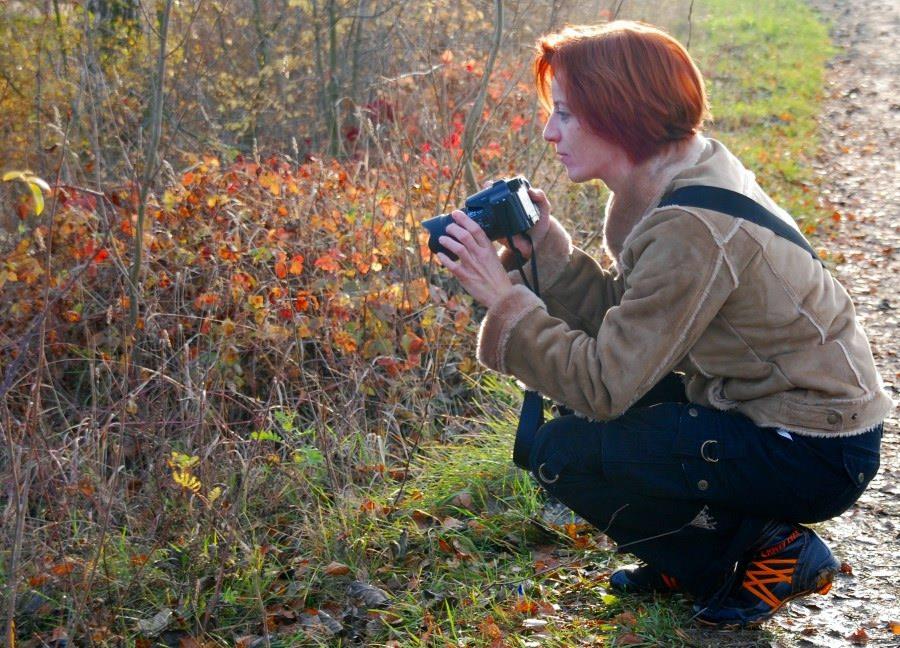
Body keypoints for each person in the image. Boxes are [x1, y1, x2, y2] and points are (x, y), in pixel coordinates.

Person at [434, 20, 890, 627]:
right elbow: (632, 329)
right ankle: (689, 553)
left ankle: (770, 549)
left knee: (563, 449)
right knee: (587, 424)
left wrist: (506, 301)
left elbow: (603, 383)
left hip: (814, 448)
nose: (549, 132)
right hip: (768, 413)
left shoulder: (689, 226)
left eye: (565, 114)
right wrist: (545, 251)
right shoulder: (678, 179)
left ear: (619, 111)